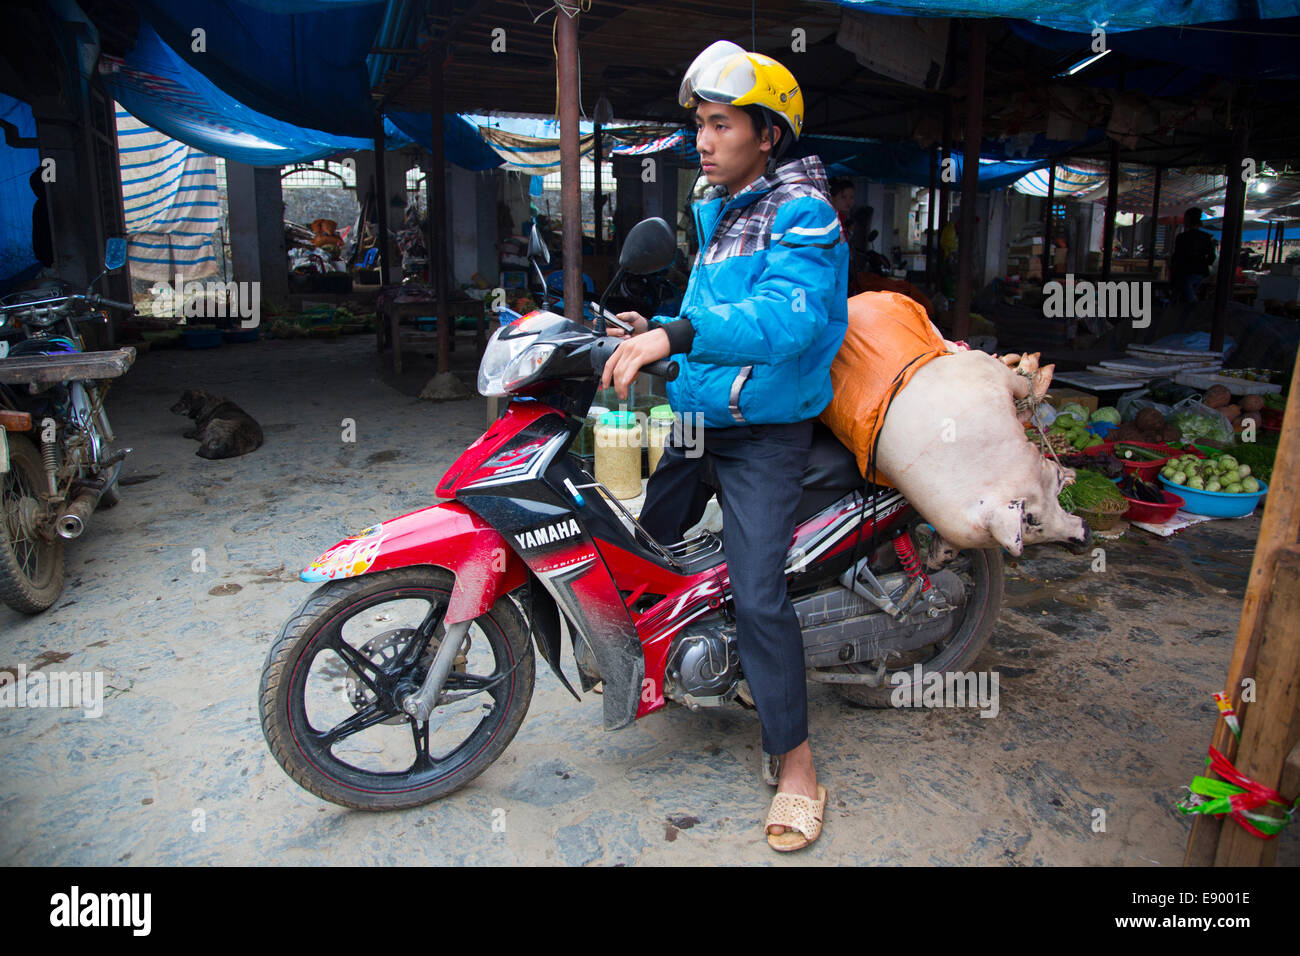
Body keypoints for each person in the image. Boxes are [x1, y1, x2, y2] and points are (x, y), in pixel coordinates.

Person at [600, 40, 848, 852]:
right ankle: (682, 662)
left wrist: (677, 334)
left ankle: (797, 762)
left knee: (759, 592)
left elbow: (785, 320)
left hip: (763, 432)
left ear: (767, 134)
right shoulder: (720, 207)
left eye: (721, 125)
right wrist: (654, 326)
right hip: (700, 417)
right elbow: (711, 311)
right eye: (700, 125)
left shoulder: (804, 214)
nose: (702, 141)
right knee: (647, 541)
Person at [1170, 207, 1217, 307]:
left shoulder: (1182, 237)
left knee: (1187, 297)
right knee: (1189, 295)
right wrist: (1205, 264)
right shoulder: (1205, 237)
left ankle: (1195, 308)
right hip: (1200, 272)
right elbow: (1212, 256)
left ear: (1188, 220)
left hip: (1185, 272)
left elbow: (1177, 256)